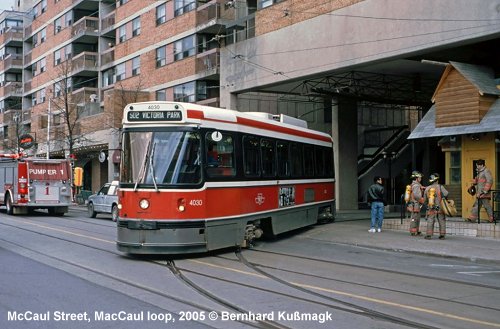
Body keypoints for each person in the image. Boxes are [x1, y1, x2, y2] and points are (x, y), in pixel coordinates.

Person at [423, 173, 448, 239]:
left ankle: (429, 235)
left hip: (431, 207)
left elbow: (424, 200)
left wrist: (427, 205)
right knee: (441, 220)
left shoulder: (427, 188)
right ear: (437, 180)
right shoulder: (440, 187)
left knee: (430, 220)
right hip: (440, 207)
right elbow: (446, 194)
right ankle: (442, 235)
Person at [408, 171, 424, 236]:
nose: (421, 178)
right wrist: (423, 200)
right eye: (420, 177)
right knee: (415, 218)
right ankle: (414, 231)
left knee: (415, 218)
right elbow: (417, 196)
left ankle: (416, 231)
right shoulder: (416, 185)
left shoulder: (413, 185)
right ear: (416, 178)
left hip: (414, 204)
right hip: (416, 204)